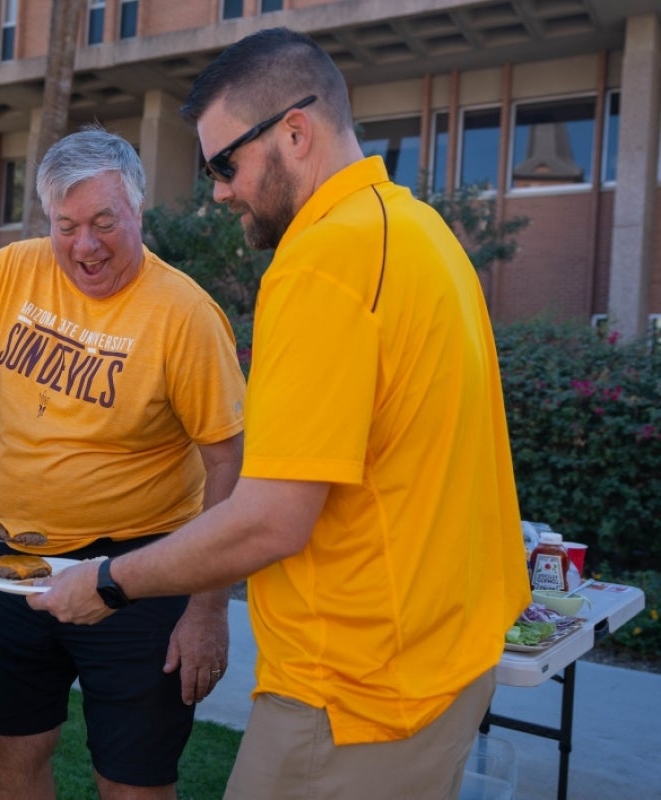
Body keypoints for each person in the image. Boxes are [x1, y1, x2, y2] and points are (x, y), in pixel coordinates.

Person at [29, 28, 531, 800]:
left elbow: (271, 519)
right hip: (444, 666)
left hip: (353, 694)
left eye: (225, 164)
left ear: (295, 131)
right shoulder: (423, 233)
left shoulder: (321, 263)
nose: (219, 190)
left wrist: (106, 581)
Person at [0, 128, 246, 799]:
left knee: (133, 780)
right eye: (67, 225)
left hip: (140, 572)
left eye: (105, 221)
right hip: (14, 562)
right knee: (8, 751)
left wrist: (206, 608)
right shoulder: (13, 269)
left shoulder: (186, 316)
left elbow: (230, 462)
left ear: (138, 212)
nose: (85, 245)